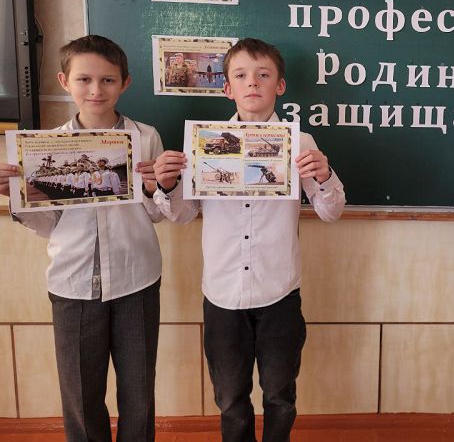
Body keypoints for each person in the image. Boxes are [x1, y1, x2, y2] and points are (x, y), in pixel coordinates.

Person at [152, 38, 346, 442]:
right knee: (230, 399)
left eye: (263, 75)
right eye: (241, 75)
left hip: (279, 291)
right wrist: (168, 185)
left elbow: (331, 212)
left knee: (280, 396)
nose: (252, 82)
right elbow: (183, 215)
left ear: (280, 85)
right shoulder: (203, 142)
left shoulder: (301, 143)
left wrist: (325, 175)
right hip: (223, 294)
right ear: (227, 88)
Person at [0, 35, 164, 441]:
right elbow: (49, 225)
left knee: (139, 391)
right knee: (80, 394)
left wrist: (152, 189)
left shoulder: (146, 137)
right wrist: (18, 199)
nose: (96, 90)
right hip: (72, 283)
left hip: (137, 280)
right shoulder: (44, 147)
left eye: (107, 80)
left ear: (125, 82)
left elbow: (157, 213)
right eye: (84, 79)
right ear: (64, 81)